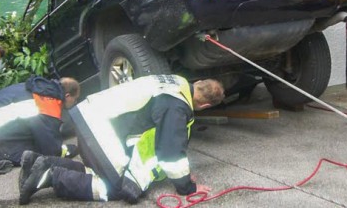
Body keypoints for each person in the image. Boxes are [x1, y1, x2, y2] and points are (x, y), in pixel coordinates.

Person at [18, 75, 225, 205]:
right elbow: (170, 153)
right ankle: (48, 175)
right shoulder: (177, 106)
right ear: (205, 106)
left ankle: (42, 162)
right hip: (100, 126)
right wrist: (187, 186)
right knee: (118, 188)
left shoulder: (176, 82)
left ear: (198, 83)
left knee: (101, 173)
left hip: (91, 116)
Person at [0, 76, 81, 168]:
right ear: (67, 96)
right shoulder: (48, 105)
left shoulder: (36, 88)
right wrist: (71, 149)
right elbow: (51, 150)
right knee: (34, 155)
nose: (74, 104)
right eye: (75, 100)